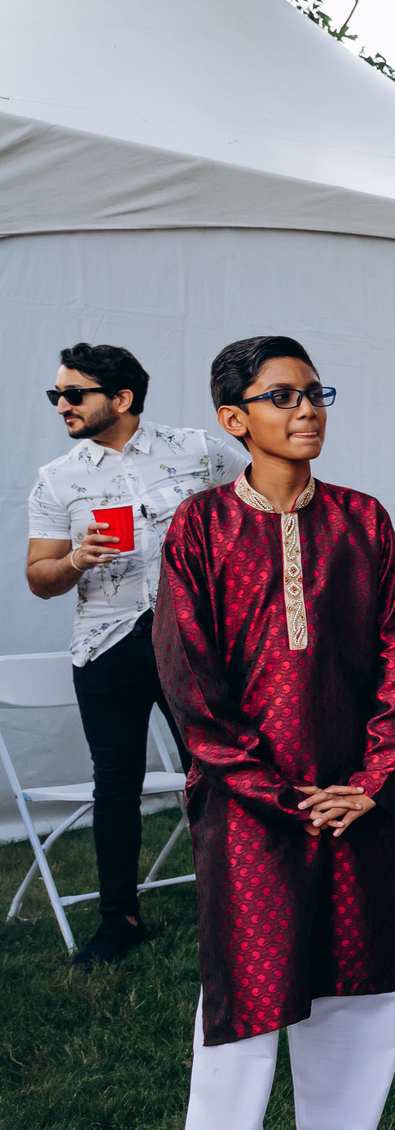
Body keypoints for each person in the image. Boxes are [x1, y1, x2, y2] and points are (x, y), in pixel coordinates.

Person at [154, 336, 395, 1130]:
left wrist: (374, 779)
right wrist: (277, 793)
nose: (306, 410)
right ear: (236, 420)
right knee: (245, 1005)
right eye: (282, 397)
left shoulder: (361, 519)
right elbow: (192, 680)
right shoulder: (198, 529)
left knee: (361, 986)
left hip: (356, 797)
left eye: (316, 393)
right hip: (249, 807)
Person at [24, 342, 241, 968]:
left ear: (121, 399)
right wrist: (73, 560)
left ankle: (233, 900)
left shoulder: (199, 452)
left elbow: (256, 508)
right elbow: (39, 576)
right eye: (56, 395)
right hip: (106, 644)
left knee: (217, 770)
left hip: (194, 642)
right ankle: (118, 918)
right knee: (114, 786)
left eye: (74, 394)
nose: (62, 404)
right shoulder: (58, 478)